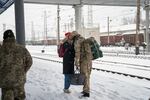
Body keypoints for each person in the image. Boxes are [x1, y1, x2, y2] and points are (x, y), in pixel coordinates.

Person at [0, 29, 33, 100]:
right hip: (19, 82)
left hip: (5, 82)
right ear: (14, 37)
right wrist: (23, 71)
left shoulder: (1, 50)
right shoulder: (22, 49)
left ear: (4, 38)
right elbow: (29, 62)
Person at [70, 31, 92, 97]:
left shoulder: (77, 41)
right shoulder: (82, 38)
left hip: (84, 61)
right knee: (87, 75)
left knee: (85, 76)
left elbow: (77, 53)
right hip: (88, 60)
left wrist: (76, 63)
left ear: (74, 36)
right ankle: (85, 90)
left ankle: (86, 92)